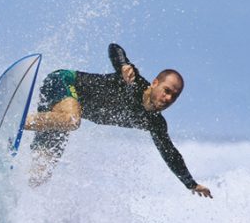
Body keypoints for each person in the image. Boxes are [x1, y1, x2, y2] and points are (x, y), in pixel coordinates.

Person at [24, 43, 213, 198]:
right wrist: (122, 64)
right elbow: (114, 48)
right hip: (63, 82)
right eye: (167, 90)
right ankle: (17, 121)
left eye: (174, 96)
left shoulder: (155, 122)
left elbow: (170, 153)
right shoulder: (133, 82)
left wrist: (191, 184)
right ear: (155, 83)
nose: (169, 98)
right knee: (72, 120)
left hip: (57, 114)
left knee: (39, 175)